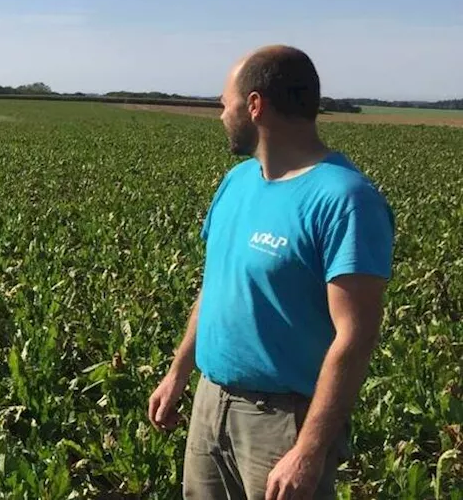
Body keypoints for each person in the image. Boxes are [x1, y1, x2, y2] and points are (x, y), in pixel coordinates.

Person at [147, 45, 394, 500]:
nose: (222, 115)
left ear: (255, 105)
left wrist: (309, 448)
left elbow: (355, 335)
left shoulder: (344, 199)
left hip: (282, 422)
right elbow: (218, 286)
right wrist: (178, 372)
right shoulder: (236, 182)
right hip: (210, 401)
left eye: (226, 104)